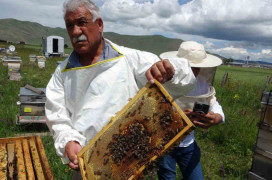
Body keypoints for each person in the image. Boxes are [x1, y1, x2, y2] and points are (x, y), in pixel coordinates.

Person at [45, 0, 196, 178]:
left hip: (131, 166)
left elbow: (185, 78)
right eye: (70, 26)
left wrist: (170, 70)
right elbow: (57, 117)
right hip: (87, 168)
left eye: (82, 22)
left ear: (99, 24)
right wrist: (69, 142)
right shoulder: (61, 74)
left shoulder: (130, 59)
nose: (76, 31)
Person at [158, 41, 225, 180]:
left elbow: (213, 103)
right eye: (190, 66)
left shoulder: (202, 84)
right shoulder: (164, 80)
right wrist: (175, 117)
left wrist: (216, 118)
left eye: (198, 67)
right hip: (164, 144)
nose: (194, 71)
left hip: (188, 144)